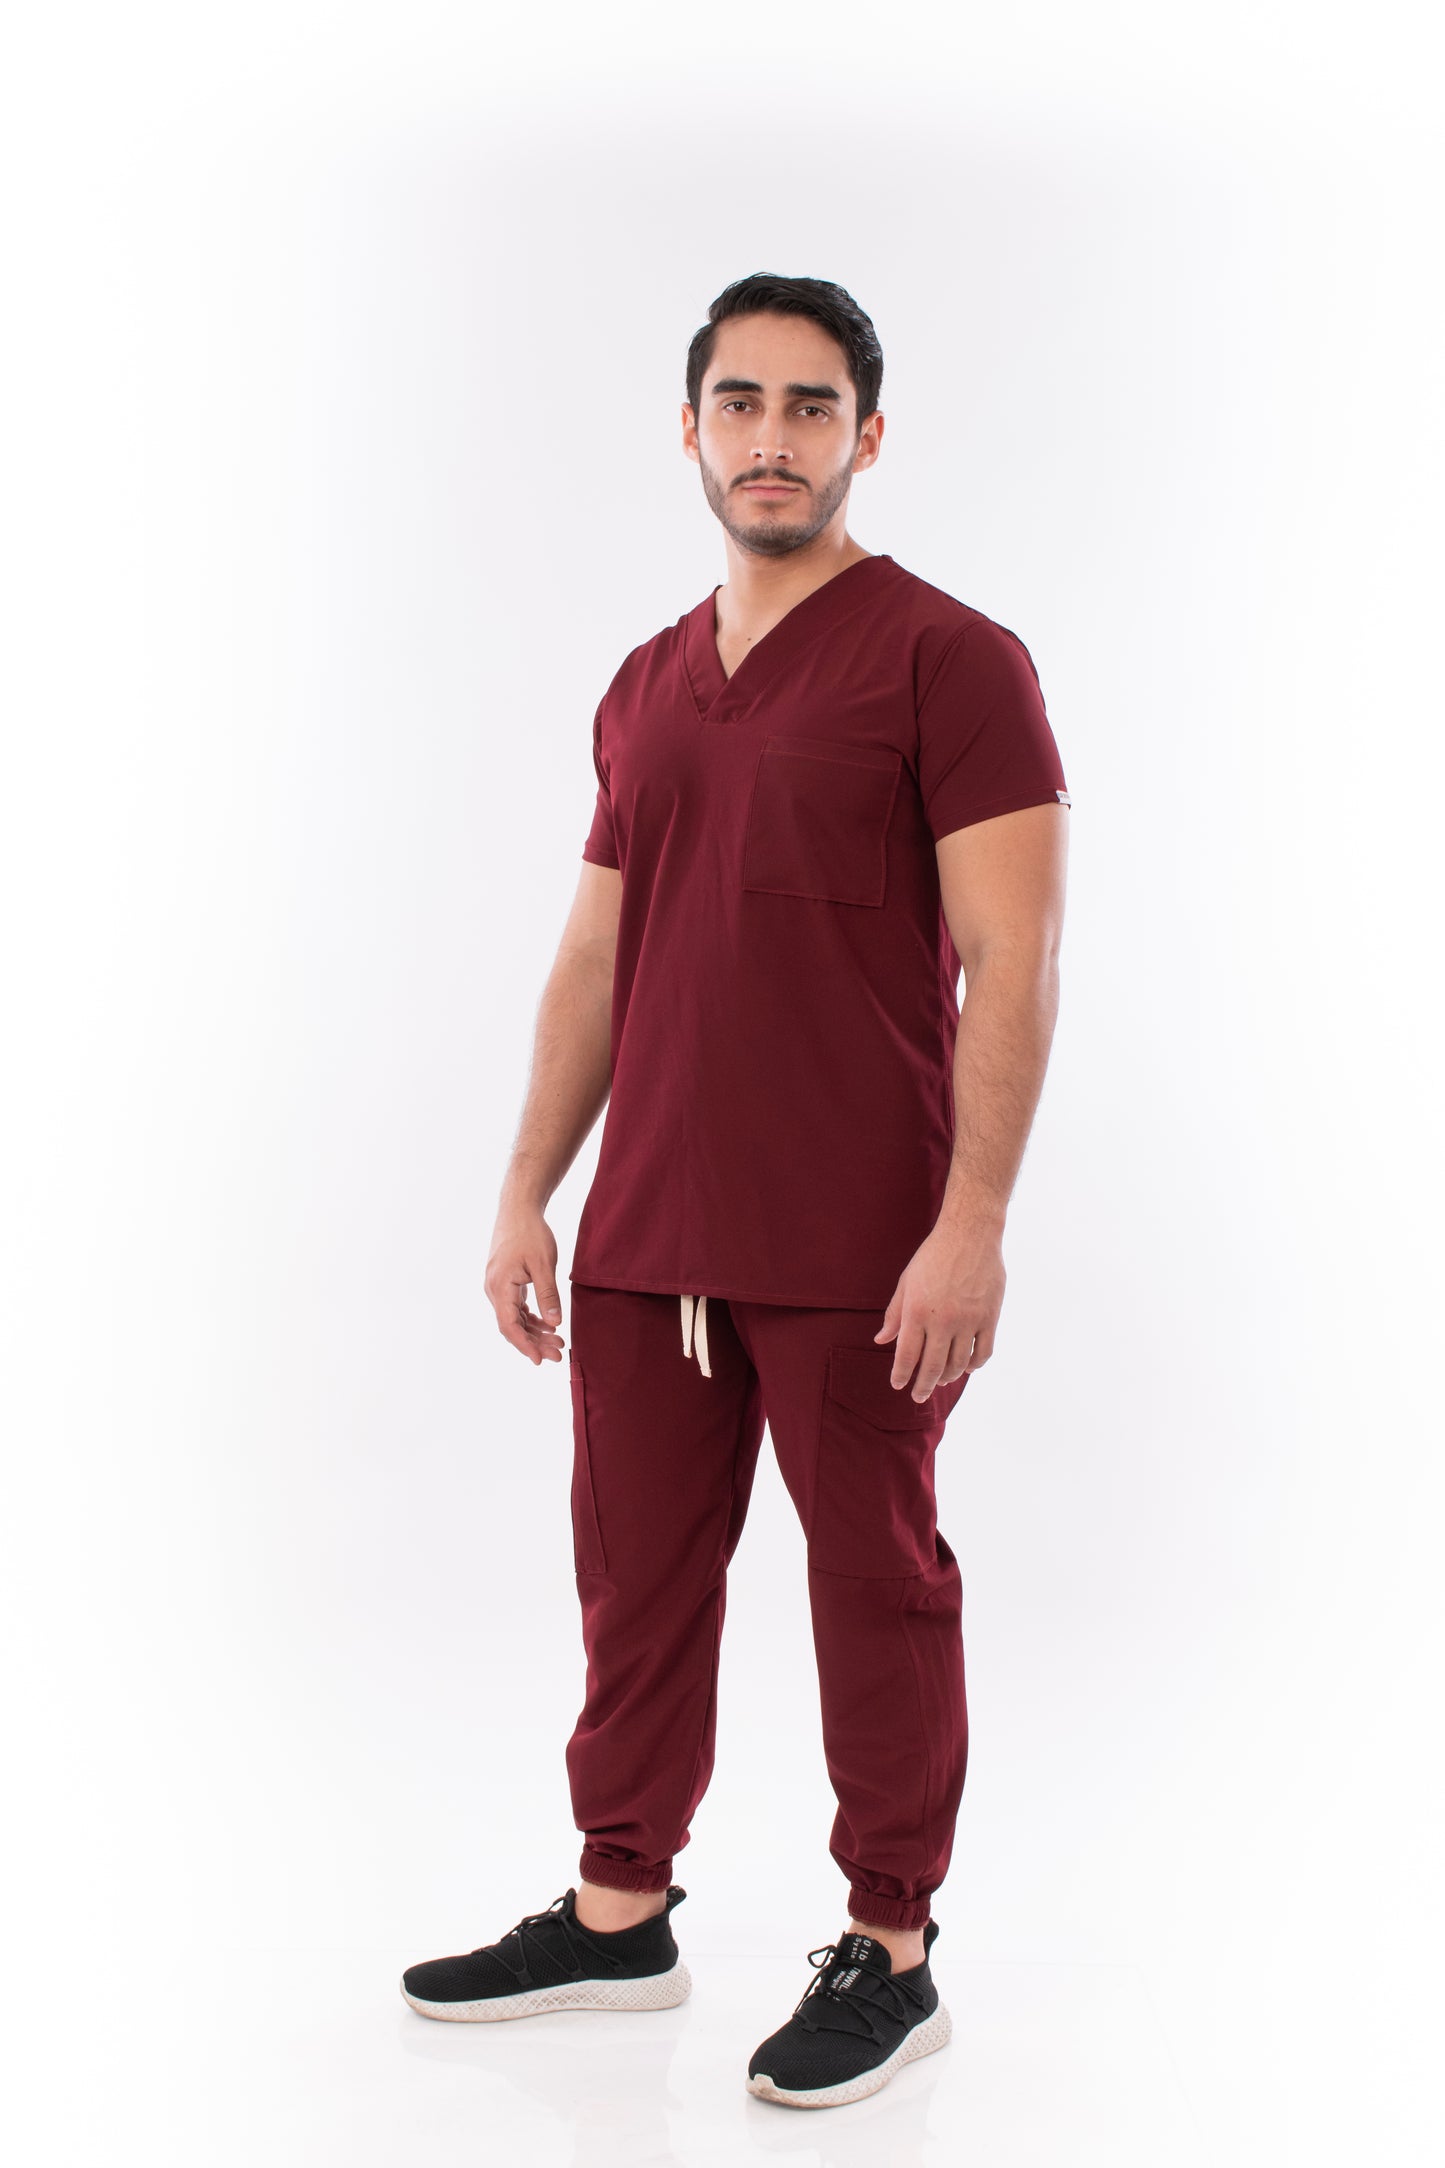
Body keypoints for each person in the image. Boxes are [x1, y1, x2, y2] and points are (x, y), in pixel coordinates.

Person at [401, 272, 1071, 2110]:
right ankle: (619, 1914)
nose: (770, 437)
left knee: (874, 1589)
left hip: (858, 1240)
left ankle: (892, 1949)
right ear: (689, 429)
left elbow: (1013, 960)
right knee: (633, 1587)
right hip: (645, 1236)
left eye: (809, 404)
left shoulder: (951, 661)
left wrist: (971, 1225)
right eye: (739, 402)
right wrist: (527, 1190)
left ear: (868, 434)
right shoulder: (645, 682)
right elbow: (594, 954)